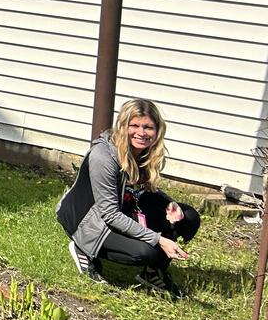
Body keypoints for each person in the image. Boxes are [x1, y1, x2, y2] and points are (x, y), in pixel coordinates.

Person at [58, 99, 200, 299]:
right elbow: (109, 214)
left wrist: (169, 203)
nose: (141, 133)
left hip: (123, 208)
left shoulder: (143, 151)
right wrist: (158, 239)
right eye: (134, 126)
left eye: (148, 127)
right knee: (149, 252)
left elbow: (140, 189)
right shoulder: (103, 156)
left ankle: (153, 273)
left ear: (157, 130)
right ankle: (83, 248)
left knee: (188, 217)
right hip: (89, 221)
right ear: (123, 126)